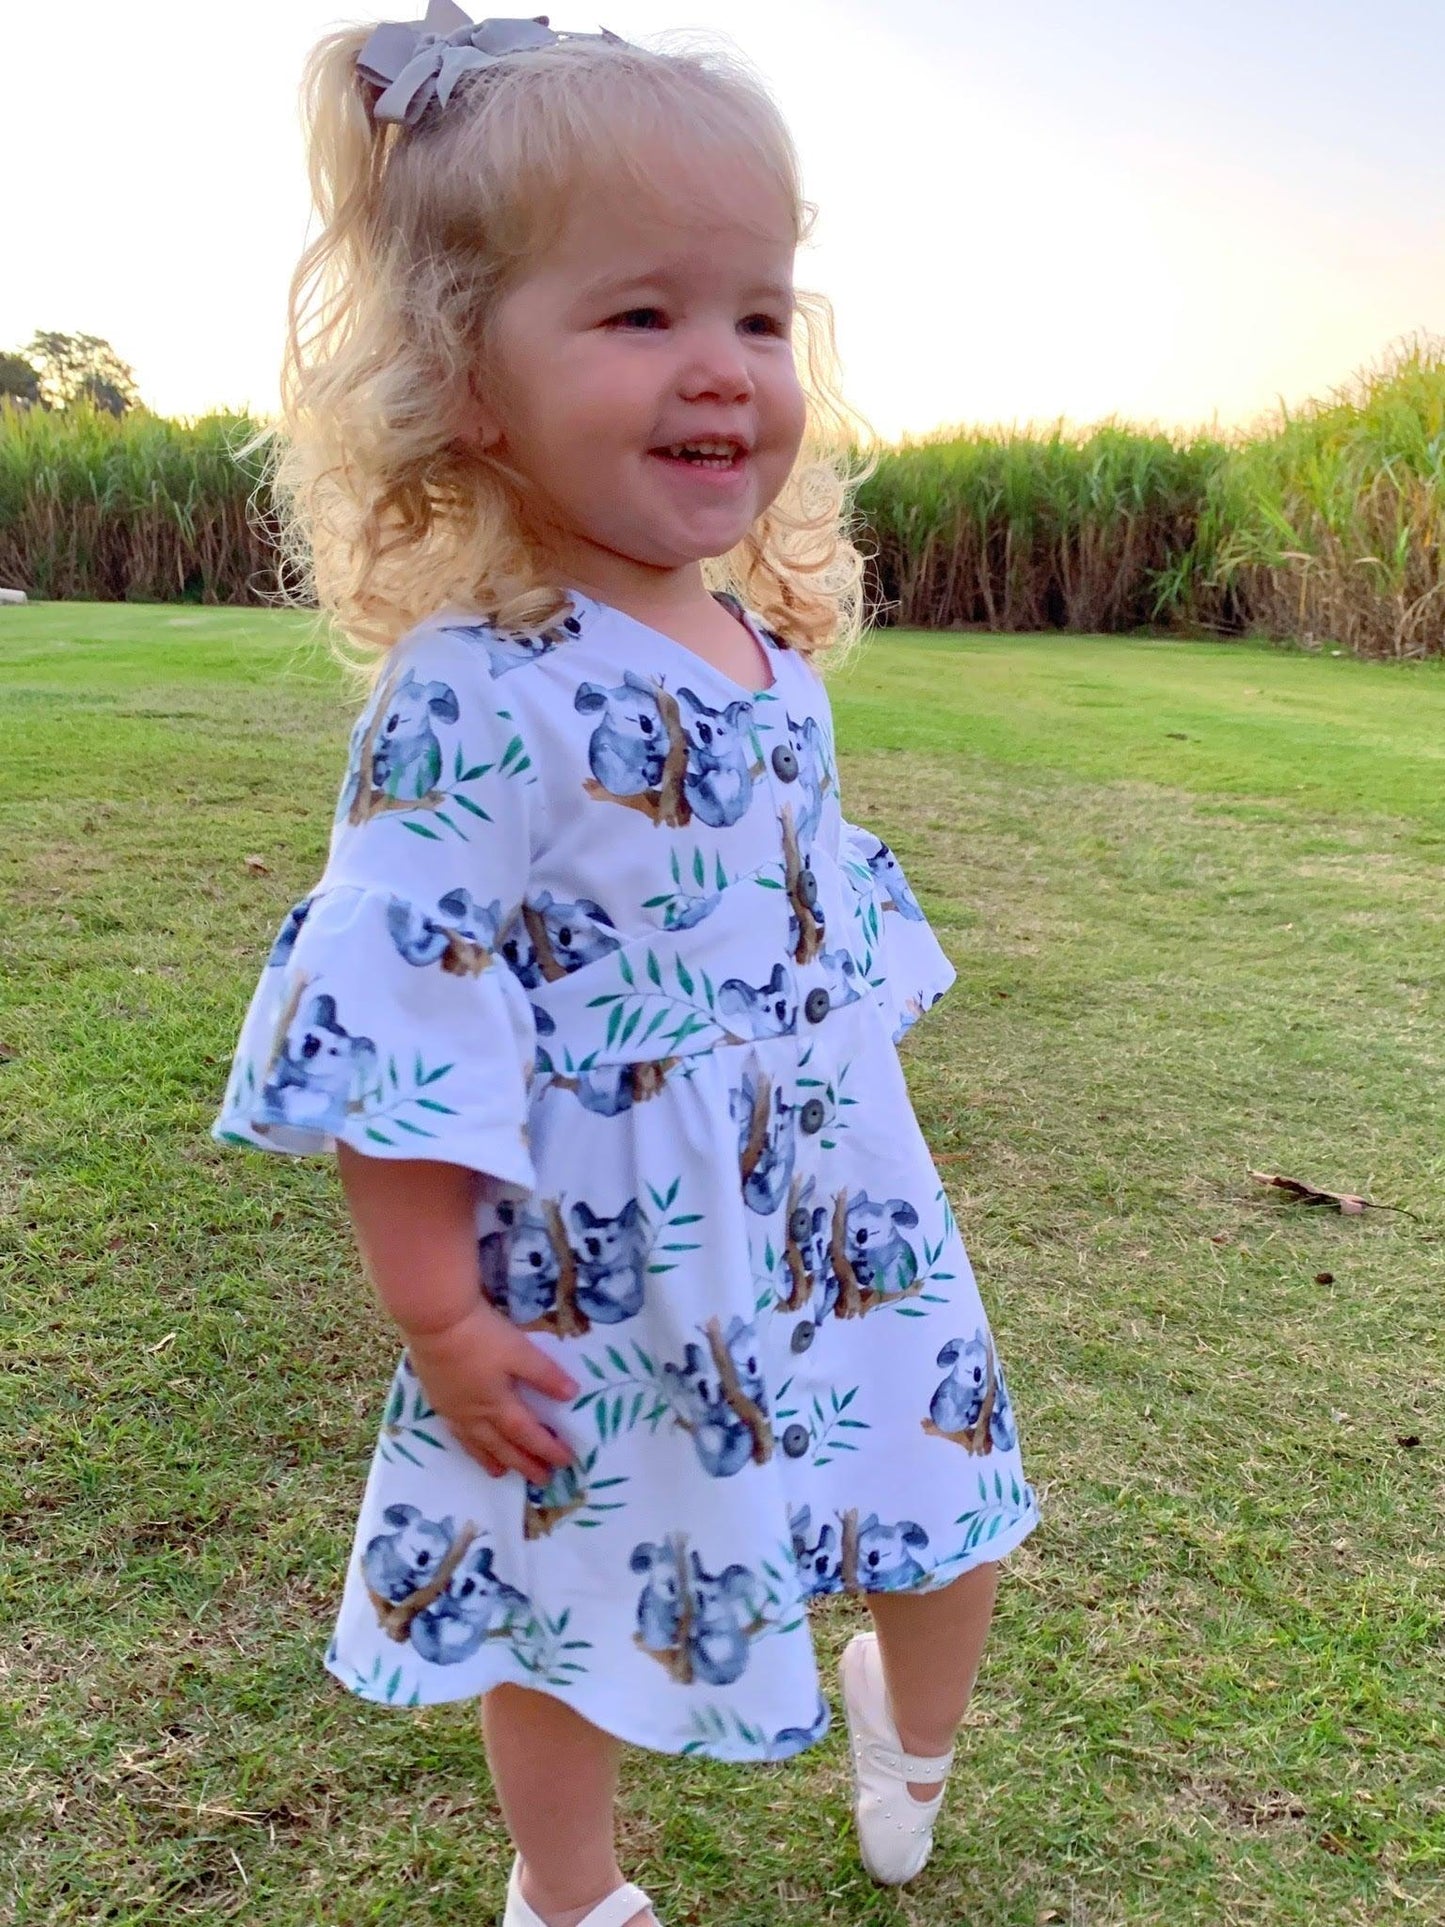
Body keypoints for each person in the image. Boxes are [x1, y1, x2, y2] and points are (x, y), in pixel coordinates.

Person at [213, 8, 1040, 1924]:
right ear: (463, 379)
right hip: (601, 1255)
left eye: (757, 312)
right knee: (561, 1590)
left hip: (838, 1208)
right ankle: (567, 1893)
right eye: (641, 313)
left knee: (945, 1494)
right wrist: (440, 1317)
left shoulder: (770, 653)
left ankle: (907, 1729)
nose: (722, 366)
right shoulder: (475, 691)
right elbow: (400, 1016)